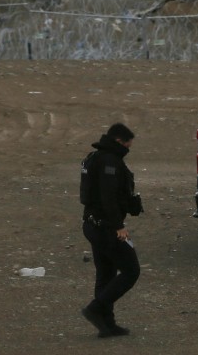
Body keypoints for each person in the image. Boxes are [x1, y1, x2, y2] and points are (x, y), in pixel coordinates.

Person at [80, 123, 143, 338]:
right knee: (131, 270)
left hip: (92, 224)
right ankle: (96, 309)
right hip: (105, 227)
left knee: (105, 273)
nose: (128, 148)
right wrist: (119, 226)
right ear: (118, 141)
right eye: (127, 144)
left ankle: (106, 324)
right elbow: (108, 197)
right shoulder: (109, 162)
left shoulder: (95, 157)